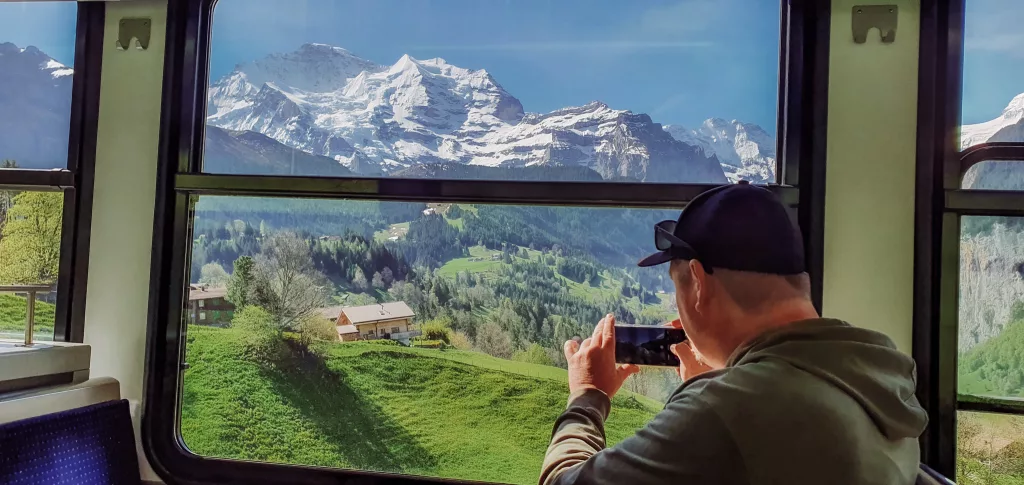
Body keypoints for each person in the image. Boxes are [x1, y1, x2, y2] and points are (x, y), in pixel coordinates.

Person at [540, 181, 928, 485]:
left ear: (696, 282)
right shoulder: (875, 371)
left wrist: (587, 397)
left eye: (677, 288)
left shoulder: (727, 407)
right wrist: (723, 378)